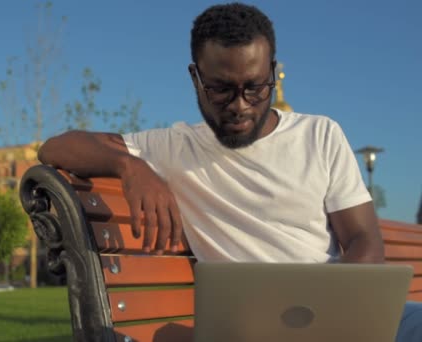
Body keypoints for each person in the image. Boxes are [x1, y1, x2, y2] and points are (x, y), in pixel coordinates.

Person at [38, 2, 421, 340]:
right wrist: (128, 164)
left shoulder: (320, 134)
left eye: (255, 88)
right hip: (253, 331)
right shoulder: (174, 147)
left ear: (272, 72)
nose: (240, 105)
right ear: (195, 78)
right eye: (221, 89)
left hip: (341, 312)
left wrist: (323, 312)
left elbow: (364, 243)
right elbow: (54, 147)